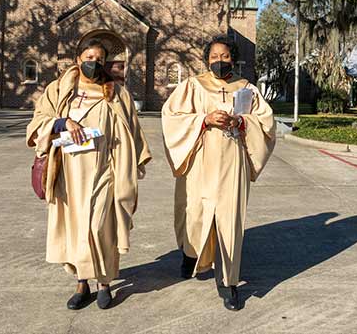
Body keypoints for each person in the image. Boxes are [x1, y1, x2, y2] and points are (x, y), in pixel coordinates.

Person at [26, 39, 151, 310]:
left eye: (99, 58)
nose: (93, 62)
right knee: (76, 228)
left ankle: (103, 282)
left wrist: (133, 163)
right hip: (68, 174)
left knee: (99, 227)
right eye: (88, 56)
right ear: (78, 58)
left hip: (104, 170)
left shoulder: (116, 93)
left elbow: (132, 130)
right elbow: (37, 122)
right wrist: (61, 122)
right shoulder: (59, 90)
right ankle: (82, 283)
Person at [161, 35, 276, 311]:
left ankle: (228, 282)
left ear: (233, 59)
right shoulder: (192, 85)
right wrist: (204, 119)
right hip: (200, 161)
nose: (219, 61)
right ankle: (190, 256)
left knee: (229, 220)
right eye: (214, 57)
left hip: (231, 164)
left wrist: (241, 120)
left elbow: (267, 123)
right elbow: (171, 116)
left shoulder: (246, 88)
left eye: (224, 56)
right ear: (206, 59)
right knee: (195, 215)